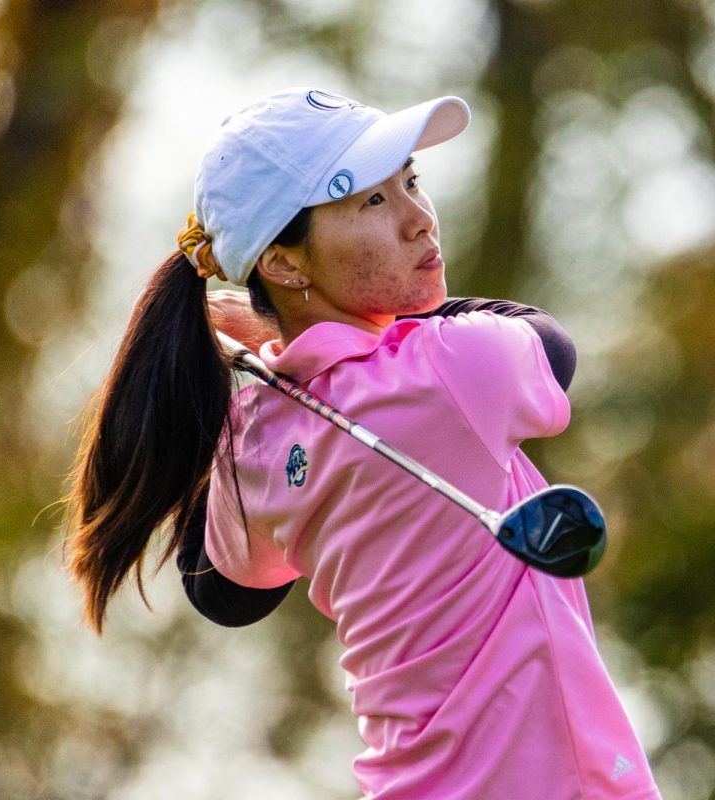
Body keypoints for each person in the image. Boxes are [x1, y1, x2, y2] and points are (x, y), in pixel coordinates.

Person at [66, 87, 661, 799]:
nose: (417, 220)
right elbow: (551, 347)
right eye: (372, 203)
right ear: (285, 264)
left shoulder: (256, 437)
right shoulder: (448, 365)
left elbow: (225, 592)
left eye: (411, 182)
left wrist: (272, 354)